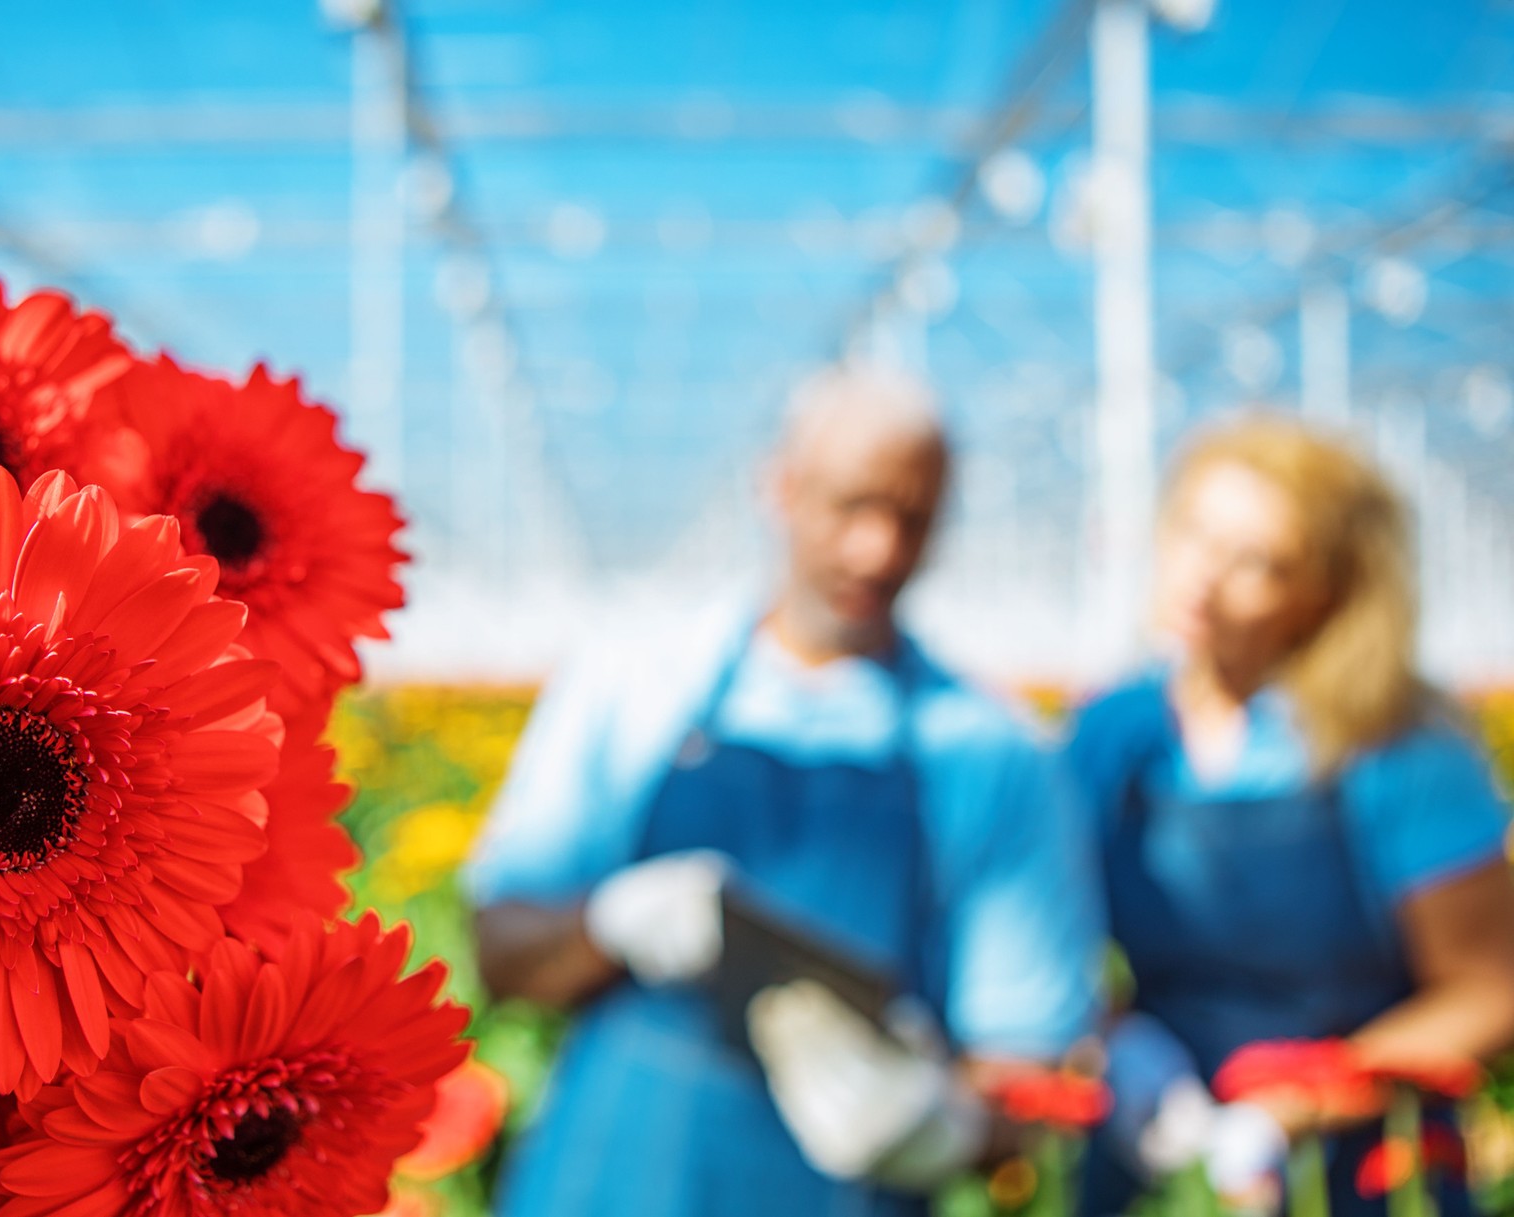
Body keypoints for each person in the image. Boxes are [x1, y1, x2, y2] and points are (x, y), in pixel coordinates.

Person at [463, 364, 1105, 1217]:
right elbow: (501, 950)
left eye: (911, 518)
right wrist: (613, 923)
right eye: (852, 505)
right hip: (612, 1179)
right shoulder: (637, 682)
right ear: (781, 487)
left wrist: (946, 1125)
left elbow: (1029, 1066)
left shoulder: (990, 749)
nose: (877, 550)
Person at [1070, 415, 1514, 1214]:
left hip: (1362, 1157)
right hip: (1166, 1131)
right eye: (1193, 534)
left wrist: (1305, 1101)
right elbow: (1053, 931)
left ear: (1328, 594)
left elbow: (1489, 990)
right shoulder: (1115, 734)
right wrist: (1117, 1044)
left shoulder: (1400, 748)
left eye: (1257, 564)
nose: (1202, 577)